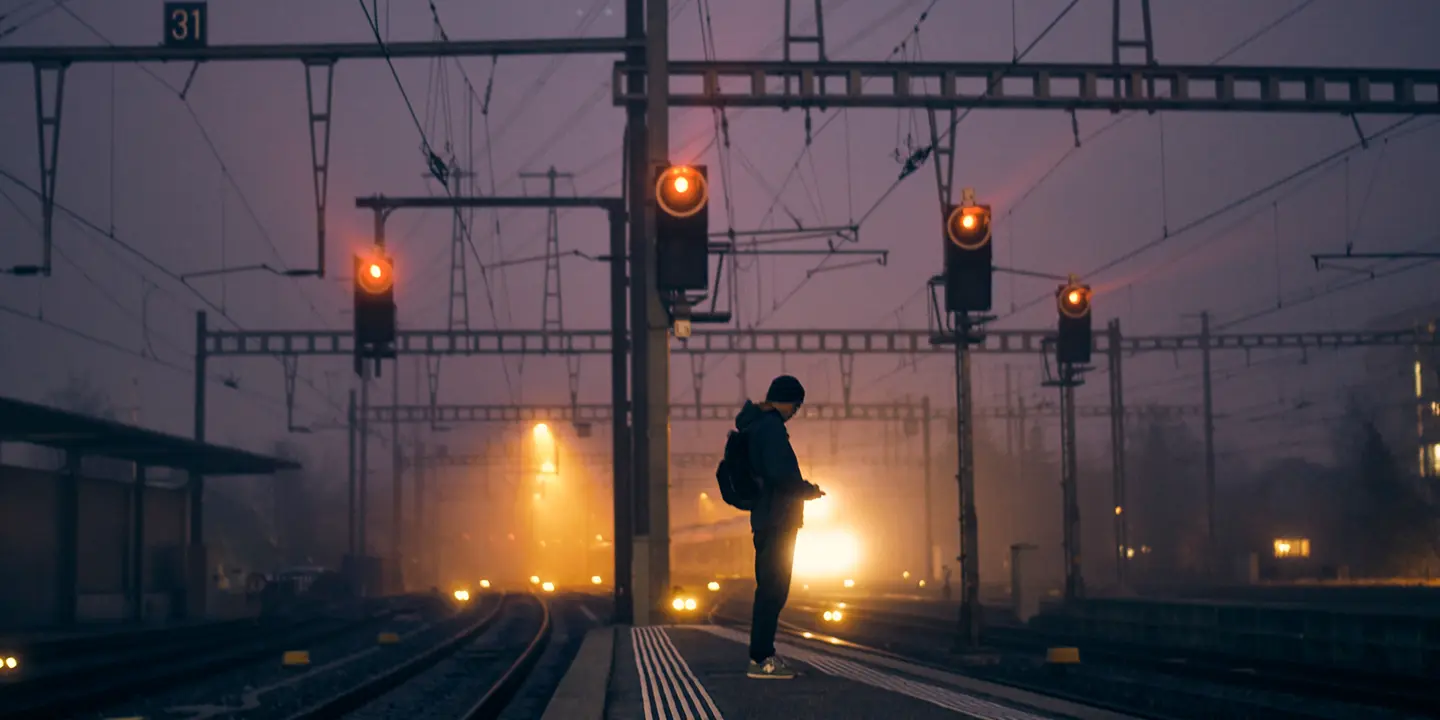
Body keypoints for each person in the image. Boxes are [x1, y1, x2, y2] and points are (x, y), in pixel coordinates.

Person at [734, 374, 824, 679]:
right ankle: (762, 659)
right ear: (785, 401)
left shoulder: (759, 426)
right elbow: (781, 474)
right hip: (777, 518)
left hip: (767, 517)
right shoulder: (770, 429)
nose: (795, 412)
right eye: (795, 406)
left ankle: (763, 656)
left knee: (771, 588)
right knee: (773, 589)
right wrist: (809, 490)